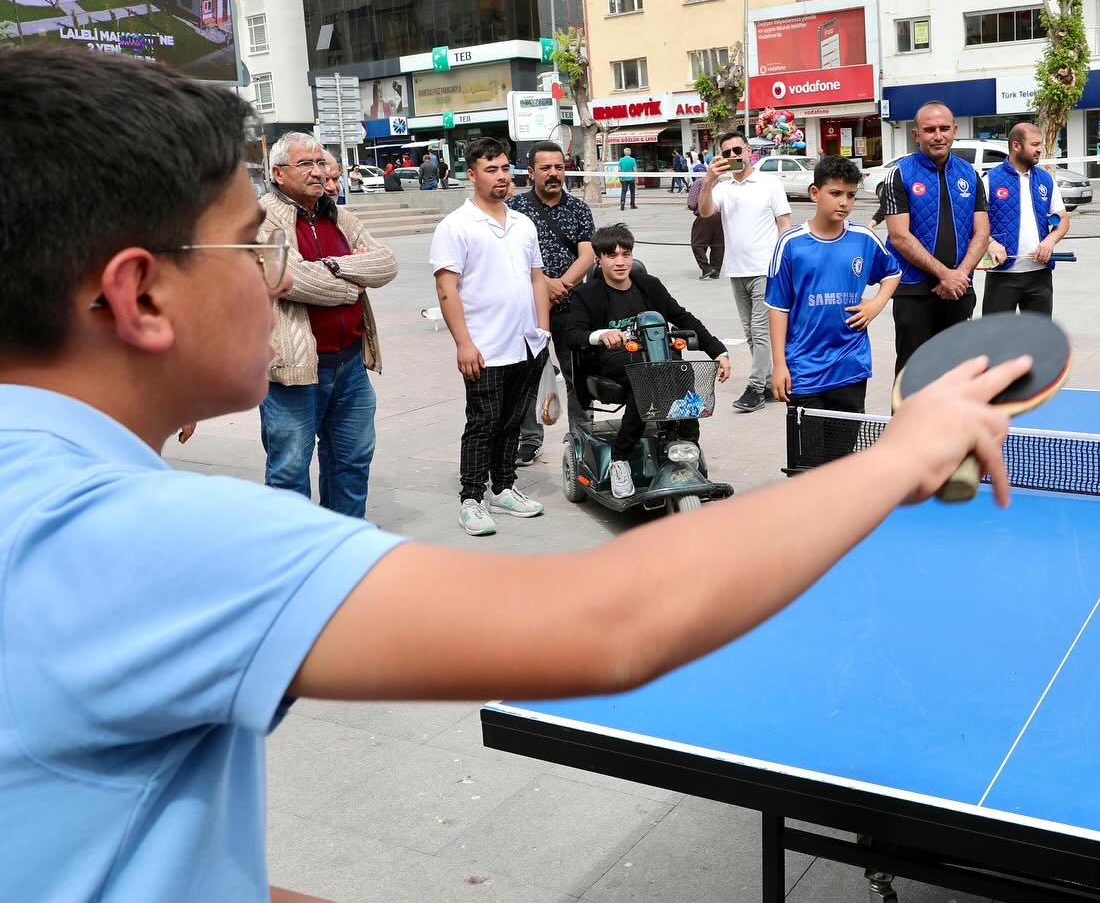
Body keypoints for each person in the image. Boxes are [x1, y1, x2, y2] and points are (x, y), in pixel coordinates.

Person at [0, 44, 1031, 902]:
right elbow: (610, 623)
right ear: (138, 297)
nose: (277, 268)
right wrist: (900, 455)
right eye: (250, 242)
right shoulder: (114, 537)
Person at [259, 132, 398, 519]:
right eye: (306, 164)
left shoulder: (339, 215)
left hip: (350, 366)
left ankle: (344, 545)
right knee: (289, 473)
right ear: (278, 173)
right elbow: (284, 277)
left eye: (321, 163)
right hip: (292, 372)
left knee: (351, 464)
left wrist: (332, 266)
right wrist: (349, 286)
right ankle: (295, 559)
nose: (318, 172)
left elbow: (386, 264)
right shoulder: (261, 217)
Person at [430, 137, 551, 536]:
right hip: (484, 347)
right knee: (483, 423)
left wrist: (543, 328)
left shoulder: (522, 223)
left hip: (526, 343)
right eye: (491, 170)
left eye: (504, 168)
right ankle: (471, 497)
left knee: (514, 420)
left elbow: (537, 278)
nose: (502, 177)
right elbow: (447, 289)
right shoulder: (456, 226)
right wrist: (464, 343)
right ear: (472, 175)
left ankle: (503, 486)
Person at [566, 224, 732, 498]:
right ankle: (619, 460)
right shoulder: (587, 294)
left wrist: (718, 351)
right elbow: (573, 335)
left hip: (657, 360)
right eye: (612, 256)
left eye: (626, 254)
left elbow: (684, 318)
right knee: (644, 378)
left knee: (682, 371)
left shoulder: (649, 286)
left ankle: (687, 443)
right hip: (614, 362)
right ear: (599, 259)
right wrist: (600, 335)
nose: (620, 262)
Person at [768, 157, 901, 466]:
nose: (844, 202)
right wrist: (779, 364)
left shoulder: (864, 239)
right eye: (836, 193)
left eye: (851, 195)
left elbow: (892, 273)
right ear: (815, 193)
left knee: (842, 458)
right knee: (809, 462)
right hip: (804, 368)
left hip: (849, 366)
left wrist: (876, 303)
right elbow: (778, 307)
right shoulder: (790, 244)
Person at [881, 101, 989, 372]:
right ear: (916, 134)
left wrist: (959, 275)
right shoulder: (899, 174)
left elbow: (982, 232)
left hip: (959, 290)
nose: (938, 135)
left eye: (944, 128)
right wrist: (945, 274)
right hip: (913, 292)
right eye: (930, 129)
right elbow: (899, 237)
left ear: (954, 130)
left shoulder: (970, 175)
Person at [507, 140, 597, 465]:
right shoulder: (515, 210)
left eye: (558, 167)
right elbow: (511, 257)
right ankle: (529, 440)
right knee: (527, 376)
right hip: (529, 307)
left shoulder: (578, 209)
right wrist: (545, 285)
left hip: (572, 306)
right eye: (545, 168)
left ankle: (582, 438)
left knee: (577, 375)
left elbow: (588, 254)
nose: (553, 173)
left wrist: (563, 285)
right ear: (531, 172)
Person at [698, 131, 793, 412]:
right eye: (726, 153)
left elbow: (784, 224)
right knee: (751, 333)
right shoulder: (724, 187)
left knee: (762, 331)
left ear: (749, 151)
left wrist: (784, 265)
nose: (733, 156)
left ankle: (755, 388)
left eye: (737, 150)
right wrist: (709, 179)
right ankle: (767, 383)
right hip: (737, 270)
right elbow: (705, 212)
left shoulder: (769, 183)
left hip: (766, 269)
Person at [983, 122, 1071, 316]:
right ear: (1016, 146)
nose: (1040, 149)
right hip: (1002, 275)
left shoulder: (1046, 179)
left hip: (1040, 275)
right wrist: (990, 244)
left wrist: (1050, 241)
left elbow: (1063, 219)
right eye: (1035, 144)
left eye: (1040, 144)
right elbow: (975, 224)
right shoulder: (989, 180)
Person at [688, 152, 724, 279]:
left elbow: (691, 204)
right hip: (720, 217)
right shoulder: (721, 184)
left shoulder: (698, 183)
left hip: (704, 216)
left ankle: (706, 268)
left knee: (696, 243)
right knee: (718, 244)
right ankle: (716, 270)